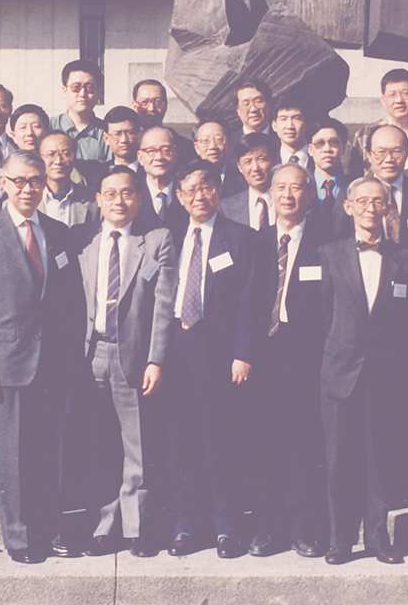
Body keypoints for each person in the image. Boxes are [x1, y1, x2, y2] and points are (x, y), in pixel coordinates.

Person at [0, 151, 87, 563]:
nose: (28, 189)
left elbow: (72, 301)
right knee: (10, 455)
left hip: (52, 362)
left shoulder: (58, 231)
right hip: (5, 362)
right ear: (4, 183)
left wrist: (72, 357)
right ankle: (17, 537)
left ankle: (48, 530)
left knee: (48, 450)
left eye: (35, 181)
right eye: (19, 181)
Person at [317, 176, 408, 565]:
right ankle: (340, 539)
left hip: (386, 374)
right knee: (337, 460)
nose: (369, 207)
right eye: (361, 201)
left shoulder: (406, 259)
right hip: (339, 371)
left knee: (380, 457)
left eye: (376, 201)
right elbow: (322, 314)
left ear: (387, 208)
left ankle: (379, 538)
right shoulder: (329, 253)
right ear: (348, 207)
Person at [75, 167, 177, 557]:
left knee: (137, 444)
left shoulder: (156, 240)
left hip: (132, 353)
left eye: (127, 193)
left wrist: (156, 359)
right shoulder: (83, 240)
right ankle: (104, 528)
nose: (119, 201)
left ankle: (137, 528)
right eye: (111, 194)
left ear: (139, 198)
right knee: (98, 444)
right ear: (98, 200)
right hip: (89, 354)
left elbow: (164, 306)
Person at [163, 161, 261, 559]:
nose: (199, 196)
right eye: (190, 190)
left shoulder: (241, 238)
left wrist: (243, 353)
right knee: (181, 438)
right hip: (176, 349)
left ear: (218, 192)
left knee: (220, 437)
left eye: (206, 188)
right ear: (180, 197)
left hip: (219, 352)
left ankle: (225, 526)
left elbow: (249, 303)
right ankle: (186, 524)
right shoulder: (167, 236)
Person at [247, 163, 332, 559]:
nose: (287, 195)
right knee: (261, 443)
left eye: (296, 188)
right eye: (280, 187)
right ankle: (266, 528)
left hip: (305, 360)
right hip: (260, 361)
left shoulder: (326, 243)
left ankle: (302, 528)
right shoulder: (256, 242)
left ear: (309, 195)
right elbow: (243, 305)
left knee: (301, 445)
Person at [342, 124, 408, 240]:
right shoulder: (350, 193)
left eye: (396, 151)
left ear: (406, 154)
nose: (389, 159)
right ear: (369, 156)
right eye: (381, 152)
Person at [347, 67, 408, 177]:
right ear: (383, 100)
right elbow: (355, 178)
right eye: (392, 95)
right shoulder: (365, 134)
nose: (399, 100)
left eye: (406, 93)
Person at [51, 60, 112, 163]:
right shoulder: (49, 126)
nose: (82, 94)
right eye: (76, 87)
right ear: (64, 91)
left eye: (89, 88)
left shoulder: (107, 132)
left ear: (98, 93)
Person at [38, 131, 99, 228]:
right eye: (51, 154)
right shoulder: (30, 197)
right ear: (39, 159)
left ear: (74, 158)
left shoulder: (93, 200)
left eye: (66, 154)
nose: (58, 161)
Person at [220, 131, 278, 230]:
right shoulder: (225, 208)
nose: (255, 168)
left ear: (274, 161)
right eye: (248, 162)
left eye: (261, 159)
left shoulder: (289, 200)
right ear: (239, 167)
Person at [135, 126, 187, 235]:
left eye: (166, 150)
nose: (159, 157)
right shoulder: (133, 195)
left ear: (176, 154)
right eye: (151, 151)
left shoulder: (188, 194)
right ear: (140, 157)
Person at [309, 118, 354, 218]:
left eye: (333, 142)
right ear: (310, 150)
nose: (327, 149)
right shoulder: (302, 187)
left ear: (343, 148)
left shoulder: (354, 188)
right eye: (320, 143)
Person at [226, 80, 273, 167]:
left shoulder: (282, 139)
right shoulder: (229, 144)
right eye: (246, 103)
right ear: (238, 110)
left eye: (258, 101)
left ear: (268, 105)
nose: (253, 109)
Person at [193, 120, 241, 196]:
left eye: (219, 140)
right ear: (197, 147)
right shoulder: (189, 180)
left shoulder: (243, 179)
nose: (212, 146)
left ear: (229, 144)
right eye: (206, 141)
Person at [272, 95, 313, 172]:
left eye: (296, 118)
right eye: (283, 119)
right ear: (274, 126)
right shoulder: (269, 161)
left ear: (307, 124)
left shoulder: (318, 159)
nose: (290, 126)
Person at [103, 106, 143, 173]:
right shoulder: (99, 176)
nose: (124, 140)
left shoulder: (152, 172)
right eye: (117, 134)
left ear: (139, 135)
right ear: (106, 138)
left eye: (130, 133)